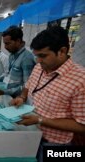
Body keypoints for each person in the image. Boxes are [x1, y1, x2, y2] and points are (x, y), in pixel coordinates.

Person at [10, 26, 85, 162]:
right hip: (31, 134)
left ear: (62, 51)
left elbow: (82, 125)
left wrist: (40, 120)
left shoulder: (80, 80)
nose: (38, 60)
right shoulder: (40, 67)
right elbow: (28, 86)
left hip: (56, 145)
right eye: (36, 55)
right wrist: (21, 97)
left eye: (43, 56)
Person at [0, 26, 36, 97]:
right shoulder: (12, 55)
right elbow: (9, 75)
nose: (5, 47)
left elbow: (27, 85)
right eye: (4, 43)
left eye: (8, 43)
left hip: (19, 98)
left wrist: (7, 92)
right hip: (9, 94)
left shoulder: (26, 58)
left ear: (18, 41)